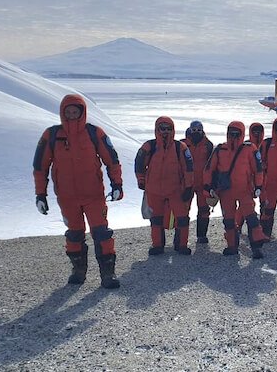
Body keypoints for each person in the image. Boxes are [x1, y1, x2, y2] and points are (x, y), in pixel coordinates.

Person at [33, 94, 123, 289]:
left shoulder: (94, 133)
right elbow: (40, 166)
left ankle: (108, 274)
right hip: (67, 197)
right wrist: (41, 194)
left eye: (76, 111)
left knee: (102, 233)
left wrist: (117, 185)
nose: (72, 115)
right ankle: (78, 271)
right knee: (74, 235)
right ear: (62, 113)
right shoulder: (52, 135)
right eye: (68, 112)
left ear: (82, 112)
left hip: (94, 195)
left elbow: (112, 160)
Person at [203, 121, 267, 258]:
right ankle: (232, 246)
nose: (233, 136)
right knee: (229, 220)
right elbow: (209, 169)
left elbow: (258, 170)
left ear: (242, 134)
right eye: (231, 133)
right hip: (226, 191)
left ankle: (256, 247)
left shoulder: (250, 149)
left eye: (236, 133)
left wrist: (259, 186)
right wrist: (207, 187)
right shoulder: (220, 149)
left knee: (251, 219)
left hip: (245, 190)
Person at [135, 117, 195, 255]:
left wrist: (188, 187)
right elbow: (139, 164)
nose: (165, 131)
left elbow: (189, 168)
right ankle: (157, 245)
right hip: (154, 190)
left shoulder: (180, 147)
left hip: (176, 190)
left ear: (173, 130)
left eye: (168, 128)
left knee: (182, 218)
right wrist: (141, 180)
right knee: (156, 219)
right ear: (157, 129)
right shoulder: (149, 146)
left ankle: (181, 245)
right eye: (163, 128)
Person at [181, 120, 215, 243]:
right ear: (190, 130)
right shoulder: (182, 144)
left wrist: (212, 184)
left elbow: (213, 165)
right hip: (187, 184)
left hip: (203, 184)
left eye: (198, 130)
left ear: (202, 130)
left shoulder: (208, 145)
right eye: (194, 130)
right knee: (183, 211)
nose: (196, 132)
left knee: (204, 210)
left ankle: (201, 235)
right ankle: (181, 238)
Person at [248, 122, 266, 217]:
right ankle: (238, 226)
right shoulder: (246, 145)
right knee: (247, 204)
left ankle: (263, 225)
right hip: (248, 178)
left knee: (265, 202)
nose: (256, 133)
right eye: (254, 131)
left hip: (264, 178)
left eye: (259, 131)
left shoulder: (266, 144)